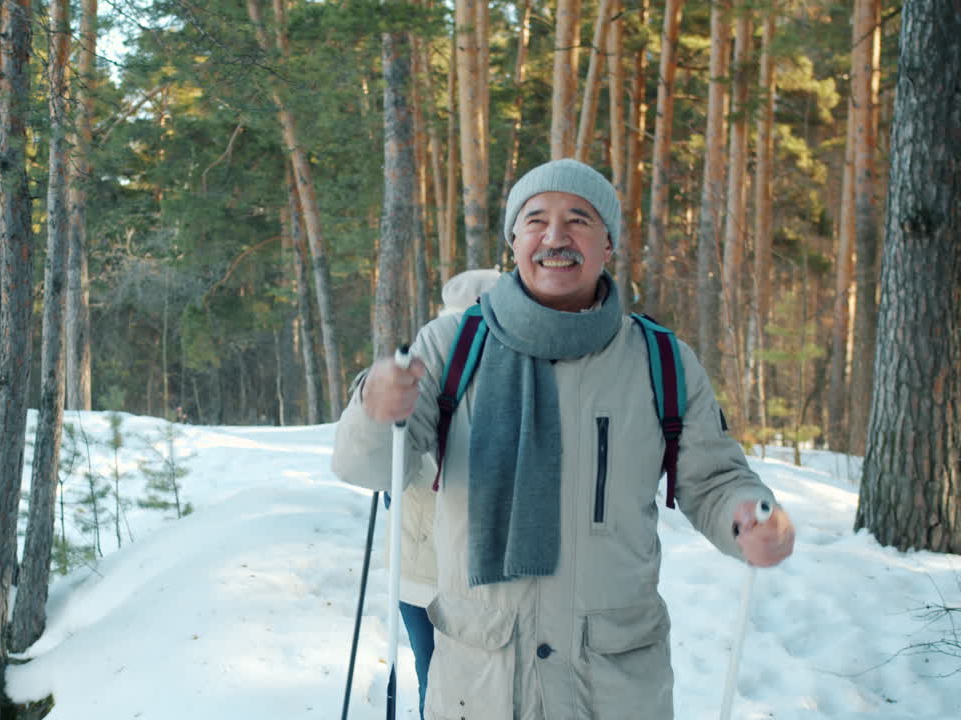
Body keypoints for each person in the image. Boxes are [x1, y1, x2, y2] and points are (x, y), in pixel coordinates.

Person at [332, 158, 795, 720]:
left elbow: (717, 482)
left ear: (607, 245)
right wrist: (373, 410)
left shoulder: (659, 360)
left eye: (578, 220)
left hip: (615, 686)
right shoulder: (451, 345)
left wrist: (749, 518)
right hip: (480, 687)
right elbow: (369, 468)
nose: (556, 236)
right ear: (514, 242)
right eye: (536, 220)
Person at [392, 268, 502, 720]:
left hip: (447, 578)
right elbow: (391, 472)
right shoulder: (423, 380)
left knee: (450, 681)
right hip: (428, 577)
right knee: (440, 680)